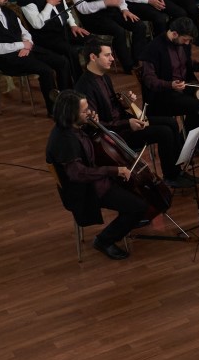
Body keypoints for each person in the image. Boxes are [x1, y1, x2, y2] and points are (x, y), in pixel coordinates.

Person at [46, 90, 151, 261]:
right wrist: (114, 171)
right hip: (85, 190)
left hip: (96, 178)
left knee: (136, 194)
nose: (88, 112)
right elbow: (78, 174)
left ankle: (129, 219)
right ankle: (104, 240)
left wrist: (93, 124)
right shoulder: (65, 140)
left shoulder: (74, 126)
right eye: (84, 110)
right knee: (139, 207)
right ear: (71, 113)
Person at [75, 38, 192, 187]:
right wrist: (127, 123)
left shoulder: (104, 76)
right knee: (164, 132)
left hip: (125, 123)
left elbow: (112, 105)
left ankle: (177, 169)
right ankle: (171, 176)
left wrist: (124, 102)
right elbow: (95, 124)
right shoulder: (84, 87)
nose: (112, 59)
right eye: (107, 55)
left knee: (170, 122)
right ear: (93, 57)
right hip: (116, 135)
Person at [0, 0, 68, 112]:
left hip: (26, 50)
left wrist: (26, 46)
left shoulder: (9, 12)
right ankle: (54, 109)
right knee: (46, 70)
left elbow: (25, 32)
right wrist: (21, 45)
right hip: (8, 59)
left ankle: (67, 100)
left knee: (61, 61)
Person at [136, 16, 199, 139]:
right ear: (175, 33)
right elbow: (149, 80)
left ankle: (197, 137)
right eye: (185, 40)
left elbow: (186, 64)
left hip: (184, 87)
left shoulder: (184, 44)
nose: (187, 43)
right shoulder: (153, 49)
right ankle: (186, 142)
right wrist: (170, 84)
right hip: (164, 96)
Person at [17, 0, 85, 83]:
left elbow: (66, 10)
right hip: (46, 37)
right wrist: (49, 5)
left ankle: (92, 81)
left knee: (93, 41)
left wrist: (74, 25)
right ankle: (78, 85)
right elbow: (37, 24)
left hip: (64, 31)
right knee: (71, 52)